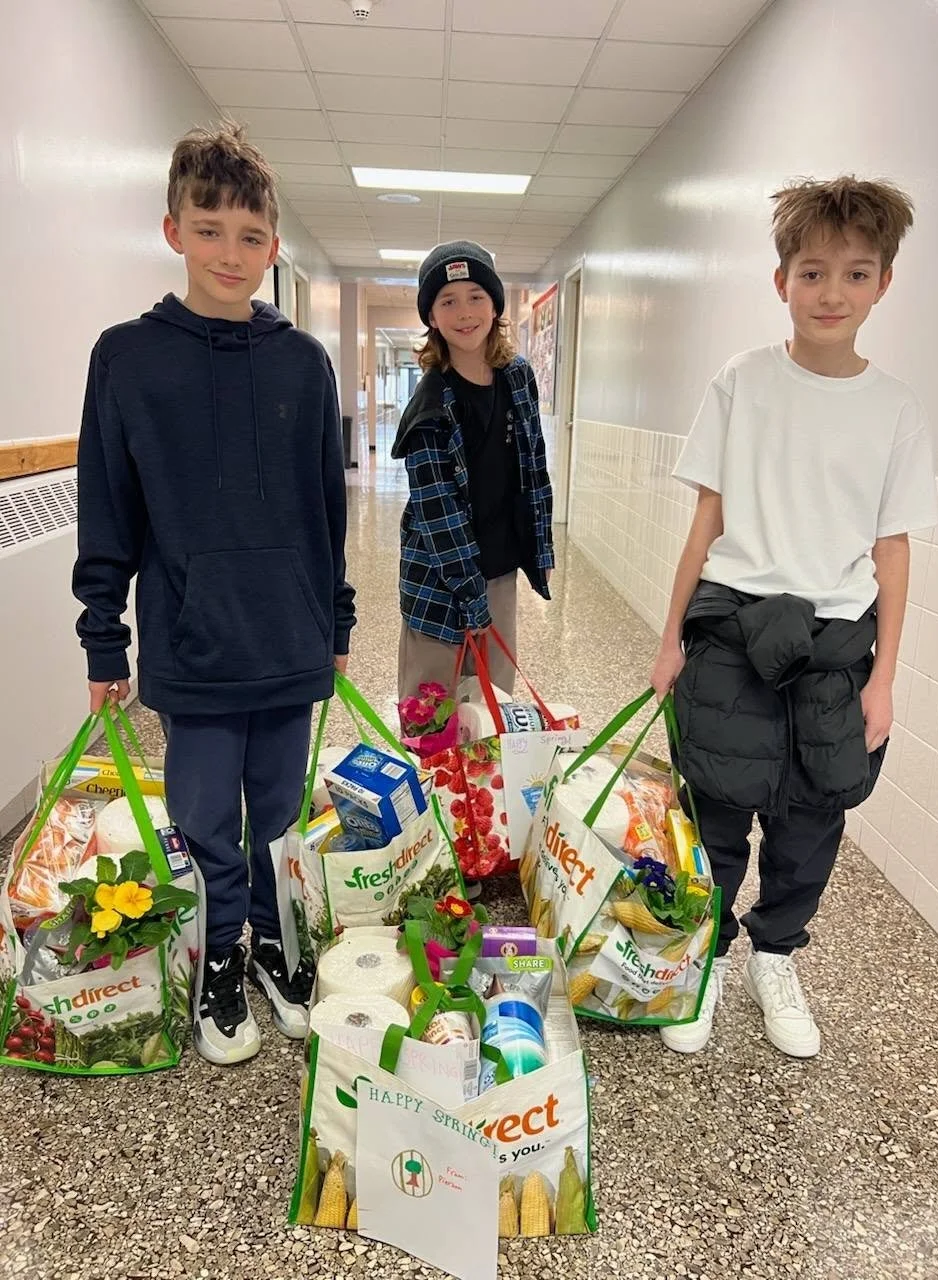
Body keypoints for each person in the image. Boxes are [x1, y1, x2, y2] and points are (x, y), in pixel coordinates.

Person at [72, 123, 355, 1066]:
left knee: (279, 817)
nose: (229, 254)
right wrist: (103, 638)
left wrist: (338, 621)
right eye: (208, 230)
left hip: (288, 638)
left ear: (274, 248)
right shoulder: (127, 358)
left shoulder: (304, 364)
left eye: (248, 236)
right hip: (191, 644)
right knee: (202, 824)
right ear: (173, 231)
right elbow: (109, 507)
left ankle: (275, 947)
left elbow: (327, 510)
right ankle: (220, 957)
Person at [651, 177, 938, 1058]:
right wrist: (670, 638)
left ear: (884, 284)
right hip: (734, 627)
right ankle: (703, 962)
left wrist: (885, 679)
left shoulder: (896, 411)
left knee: (812, 819)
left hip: (837, 645)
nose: (832, 294)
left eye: (856, 274)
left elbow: (893, 554)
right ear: (782, 279)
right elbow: (708, 518)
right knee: (715, 811)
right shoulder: (741, 382)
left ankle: (775, 958)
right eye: (813, 272)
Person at [392, 240, 554, 703]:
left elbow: (534, 467)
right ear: (432, 317)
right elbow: (435, 512)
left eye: (475, 297)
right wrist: (469, 594)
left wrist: (537, 552)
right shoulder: (429, 405)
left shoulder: (517, 377)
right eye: (448, 301)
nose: (464, 313)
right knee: (432, 710)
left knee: (491, 707)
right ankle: (431, 777)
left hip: (498, 570)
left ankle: (480, 777)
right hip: (439, 579)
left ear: (495, 305)